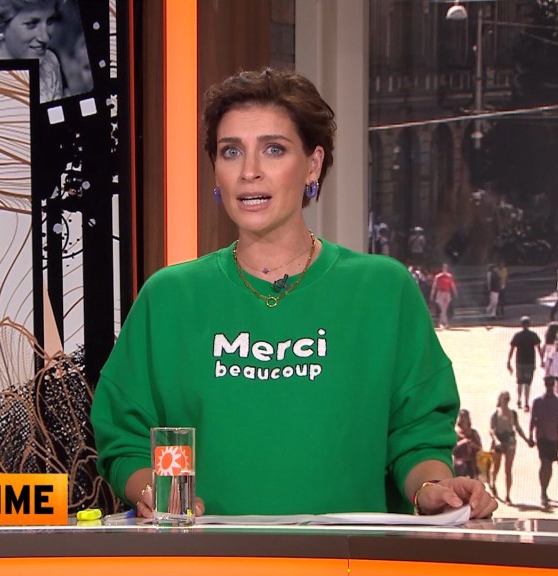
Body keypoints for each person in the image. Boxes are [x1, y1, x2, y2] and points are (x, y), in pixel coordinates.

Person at [91, 68, 496, 519]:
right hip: (207, 553)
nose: (249, 172)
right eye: (231, 151)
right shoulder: (169, 298)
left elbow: (416, 436)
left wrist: (433, 490)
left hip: (347, 554)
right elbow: (126, 439)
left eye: (274, 149)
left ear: (313, 165)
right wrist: (155, 493)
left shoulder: (383, 290)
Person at [0, 0, 65, 102]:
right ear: (0, 25)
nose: (45, 38)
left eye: (50, 21)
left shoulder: (50, 62)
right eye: (31, 24)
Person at [530, 376, 558, 508]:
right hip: (542, 436)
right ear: (545, 385)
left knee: (549, 465)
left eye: (551, 385)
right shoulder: (538, 402)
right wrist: (530, 435)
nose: (550, 388)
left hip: (554, 437)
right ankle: (543, 491)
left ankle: (545, 488)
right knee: (544, 463)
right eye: (548, 385)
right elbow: (533, 419)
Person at [488, 391, 531, 503]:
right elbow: (491, 430)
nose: (506, 401)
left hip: (510, 441)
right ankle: (492, 483)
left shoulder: (513, 413)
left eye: (508, 398)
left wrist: (526, 440)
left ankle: (507, 495)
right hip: (499, 441)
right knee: (496, 467)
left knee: (508, 469)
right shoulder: (495, 415)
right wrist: (496, 440)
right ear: (500, 400)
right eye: (504, 398)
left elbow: (517, 428)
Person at [507, 316, 543, 411]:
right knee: (527, 383)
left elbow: (512, 349)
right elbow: (538, 348)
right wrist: (542, 359)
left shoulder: (517, 335)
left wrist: (508, 361)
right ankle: (526, 402)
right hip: (530, 362)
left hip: (519, 362)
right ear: (529, 324)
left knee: (519, 382)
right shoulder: (533, 335)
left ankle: (519, 399)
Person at [453, 410, 482, 479]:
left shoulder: (473, 433)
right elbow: (451, 449)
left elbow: (480, 448)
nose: (462, 420)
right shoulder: (454, 433)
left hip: (472, 462)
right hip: (459, 463)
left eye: (464, 418)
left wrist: (472, 445)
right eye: (461, 418)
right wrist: (462, 443)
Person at [430, 263, 458, 329]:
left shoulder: (449, 276)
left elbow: (452, 285)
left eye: (446, 268)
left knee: (444, 309)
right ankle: (445, 323)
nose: (445, 269)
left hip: (447, 293)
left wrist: (455, 292)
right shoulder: (438, 277)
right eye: (444, 268)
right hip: (440, 293)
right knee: (443, 309)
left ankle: (441, 323)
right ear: (442, 269)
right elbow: (434, 286)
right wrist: (432, 294)